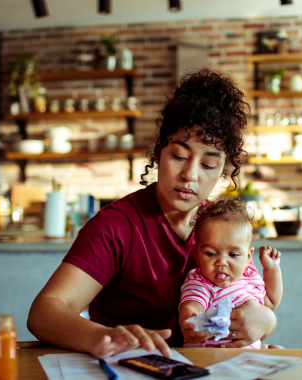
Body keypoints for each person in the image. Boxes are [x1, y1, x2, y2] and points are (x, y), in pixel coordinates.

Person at [27, 68, 275, 359]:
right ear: (159, 152)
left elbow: (249, 297)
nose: (190, 174)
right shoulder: (117, 225)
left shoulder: (220, 227)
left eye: (208, 164)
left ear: (224, 170)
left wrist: (266, 321)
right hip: (128, 367)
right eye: (179, 156)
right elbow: (44, 312)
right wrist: (101, 337)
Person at [177, 196, 282, 349]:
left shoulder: (249, 277)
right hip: (214, 358)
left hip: (248, 357)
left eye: (233, 255)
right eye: (211, 254)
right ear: (196, 255)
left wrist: (271, 269)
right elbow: (192, 305)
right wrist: (189, 320)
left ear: (247, 257)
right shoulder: (201, 282)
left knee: (278, 351)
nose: (222, 262)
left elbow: (271, 302)